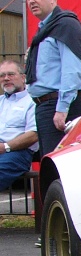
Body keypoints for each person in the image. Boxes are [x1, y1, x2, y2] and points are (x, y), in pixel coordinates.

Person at [24, 0, 81, 157]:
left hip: (58, 105)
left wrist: (62, 109)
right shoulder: (46, 28)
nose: (31, 1)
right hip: (46, 106)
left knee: (58, 164)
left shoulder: (64, 25)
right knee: (49, 164)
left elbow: (72, 70)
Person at [0, 60, 38, 191]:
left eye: (11, 74)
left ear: (23, 78)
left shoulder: (33, 101)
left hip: (17, 151)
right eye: (2, 75)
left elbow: (33, 134)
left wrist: (5, 147)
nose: (6, 78)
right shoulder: (0, 102)